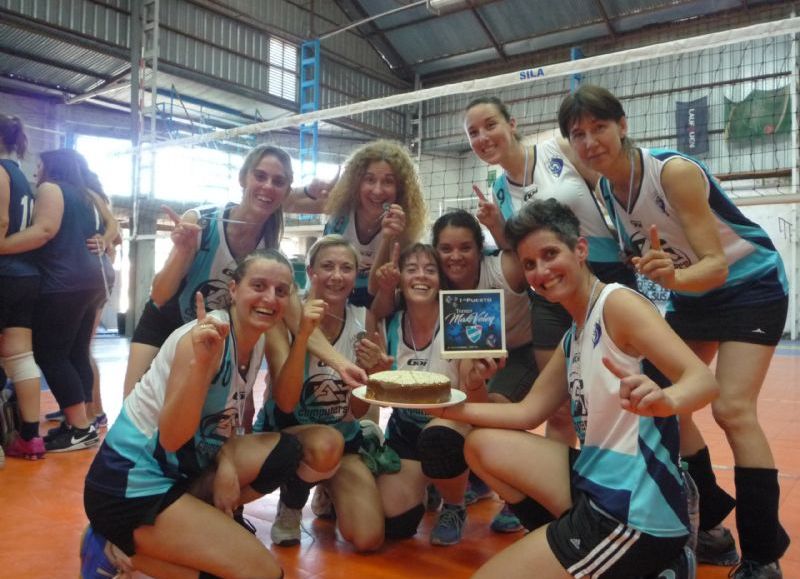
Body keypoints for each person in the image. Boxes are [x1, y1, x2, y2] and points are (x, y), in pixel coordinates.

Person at [559, 84, 791, 578]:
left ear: (622, 126)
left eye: (599, 127)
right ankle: (709, 525)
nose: (590, 141)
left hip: (750, 286)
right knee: (663, 396)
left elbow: (715, 267)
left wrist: (671, 278)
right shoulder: (605, 189)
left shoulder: (674, 172)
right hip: (693, 297)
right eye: (578, 134)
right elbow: (643, 259)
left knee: (731, 408)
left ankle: (762, 557)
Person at [431, 199, 718, 578]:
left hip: (634, 511)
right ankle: (576, 551)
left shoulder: (617, 305)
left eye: (550, 254)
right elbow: (526, 412)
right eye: (530, 264)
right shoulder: (574, 335)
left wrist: (668, 401)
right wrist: (443, 408)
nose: (541, 272)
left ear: (580, 249)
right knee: (480, 445)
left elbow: (703, 381)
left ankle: (660, 560)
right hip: (592, 484)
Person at [82, 249, 329, 579]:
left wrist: (225, 462)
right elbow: (172, 438)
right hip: (129, 487)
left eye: (281, 291)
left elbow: (223, 422)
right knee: (262, 574)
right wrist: (200, 368)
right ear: (233, 289)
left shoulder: (253, 340)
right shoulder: (203, 339)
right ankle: (117, 549)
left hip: (179, 471)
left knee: (286, 452)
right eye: (258, 285)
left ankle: (173, 532)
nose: (270, 298)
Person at [123, 144, 366, 398]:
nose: (268, 186)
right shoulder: (202, 223)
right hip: (166, 322)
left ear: (286, 192)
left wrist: (342, 364)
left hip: (215, 337)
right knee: (134, 410)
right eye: (260, 176)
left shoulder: (270, 253)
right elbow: (160, 296)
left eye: (278, 181)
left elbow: (297, 319)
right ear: (243, 178)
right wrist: (182, 252)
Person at [464, 96, 637, 447]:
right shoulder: (498, 189)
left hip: (601, 277)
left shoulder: (556, 149)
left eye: (490, 125)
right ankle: (566, 494)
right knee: (561, 407)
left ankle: (632, 477)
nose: (482, 137)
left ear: (512, 125)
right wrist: (497, 225)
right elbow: (517, 250)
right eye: (473, 132)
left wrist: (630, 240)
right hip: (546, 295)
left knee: (617, 392)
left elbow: (607, 188)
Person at [255, 235, 387, 552]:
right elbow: (285, 401)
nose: (337, 276)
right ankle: (292, 498)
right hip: (289, 433)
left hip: (343, 434)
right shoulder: (282, 318)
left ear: (356, 275)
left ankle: (325, 483)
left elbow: (356, 410)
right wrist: (302, 338)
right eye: (327, 266)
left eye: (346, 268)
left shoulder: (363, 319)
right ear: (311, 272)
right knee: (327, 443)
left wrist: (372, 375)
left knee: (369, 538)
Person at [372, 242, 495, 546]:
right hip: (405, 429)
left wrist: (478, 380)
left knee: (437, 440)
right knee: (394, 522)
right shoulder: (389, 325)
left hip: (451, 427)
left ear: (441, 279)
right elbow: (376, 390)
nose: (421, 277)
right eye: (411, 269)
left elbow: (479, 407)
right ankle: (433, 482)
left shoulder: (461, 320)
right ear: (399, 278)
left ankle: (454, 505)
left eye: (430, 270)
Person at [0, 148, 117, 453]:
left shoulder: (52, 189)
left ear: (52, 166)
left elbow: (44, 230)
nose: (36, 171)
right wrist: (105, 240)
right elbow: (113, 226)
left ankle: (80, 428)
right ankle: (83, 420)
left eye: (39, 165)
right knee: (77, 351)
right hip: (93, 281)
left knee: (51, 355)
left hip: (64, 282)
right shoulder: (89, 195)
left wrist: (2, 245)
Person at [430, 208, 533, 533]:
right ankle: (474, 478)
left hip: (519, 352)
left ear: (480, 247)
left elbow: (526, 253)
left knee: (497, 411)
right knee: (463, 411)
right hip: (470, 353)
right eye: (446, 249)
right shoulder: (437, 279)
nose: (455, 256)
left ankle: (517, 498)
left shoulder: (503, 268)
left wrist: (498, 226)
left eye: (465, 247)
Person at [303, 140, 427, 307]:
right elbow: (321, 273)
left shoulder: (404, 228)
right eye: (369, 180)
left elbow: (377, 290)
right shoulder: (340, 216)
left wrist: (388, 238)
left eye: (388, 182)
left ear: (400, 189)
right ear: (357, 183)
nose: (377, 190)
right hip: (334, 289)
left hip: (374, 299)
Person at [0, 114, 43, 459]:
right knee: (20, 357)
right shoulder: (25, 179)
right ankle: (30, 437)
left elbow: (0, 223)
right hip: (25, 274)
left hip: (3, 271)